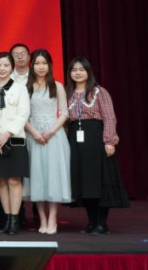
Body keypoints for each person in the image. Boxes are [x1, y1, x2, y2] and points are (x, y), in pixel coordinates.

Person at [66, 57, 128, 235]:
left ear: (88, 72)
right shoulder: (68, 93)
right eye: (74, 70)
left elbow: (109, 117)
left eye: (81, 69)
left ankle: (102, 223)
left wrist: (109, 141)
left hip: (96, 139)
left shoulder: (99, 92)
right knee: (84, 181)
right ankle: (91, 222)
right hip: (76, 141)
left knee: (99, 180)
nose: (78, 73)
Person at [0, 52, 32, 236]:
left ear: (12, 67)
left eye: (6, 65)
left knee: (14, 180)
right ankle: (6, 219)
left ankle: (15, 220)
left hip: (14, 141)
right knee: (1, 181)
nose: (2, 68)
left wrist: (7, 133)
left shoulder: (20, 88)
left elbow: (23, 113)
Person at [25, 49, 71, 234]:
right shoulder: (26, 87)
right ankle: (42, 218)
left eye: (44, 63)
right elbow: (22, 115)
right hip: (33, 135)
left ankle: (53, 218)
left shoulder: (57, 86)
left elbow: (65, 113)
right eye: (37, 63)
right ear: (32, 66)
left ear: (50, 65)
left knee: (53, 176)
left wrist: (51, 131)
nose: (41, 67)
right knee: (36, 176)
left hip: (54, 136)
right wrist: (35, 133)